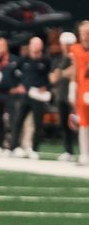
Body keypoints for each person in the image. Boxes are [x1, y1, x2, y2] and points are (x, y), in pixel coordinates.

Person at [9, 36, 51, 159]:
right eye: (34, 44)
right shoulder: (23, 60)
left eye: (38, 45)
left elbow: (48, 78)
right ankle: (13, 147)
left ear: (41, 47)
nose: (36, 47)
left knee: (38, 123)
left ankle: (34, 149)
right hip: (24, 95)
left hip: (38, 96)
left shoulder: (45, 61)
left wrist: (46, 87)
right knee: (18, 121)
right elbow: (12, 73)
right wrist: (17, 85)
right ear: (30, 46)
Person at [61, 20, 89, 166]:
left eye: (88, 32)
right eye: (83, 32)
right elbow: (75, 69)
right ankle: (84, 155)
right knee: (83, 124)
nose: (85, 36)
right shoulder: (76, 49)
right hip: (81, 90)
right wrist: (72, 88)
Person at [51, 31, 77, 162]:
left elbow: (75, 70)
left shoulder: (76, 57)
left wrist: (61, 73)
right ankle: (68, 150)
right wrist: (61, 74)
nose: (66, 47)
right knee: (64, 125)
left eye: (69, 44)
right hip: (61, 96)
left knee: (80, 125)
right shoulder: (58, 59)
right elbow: (52, 79)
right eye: (64, 44)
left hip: (75, 96)